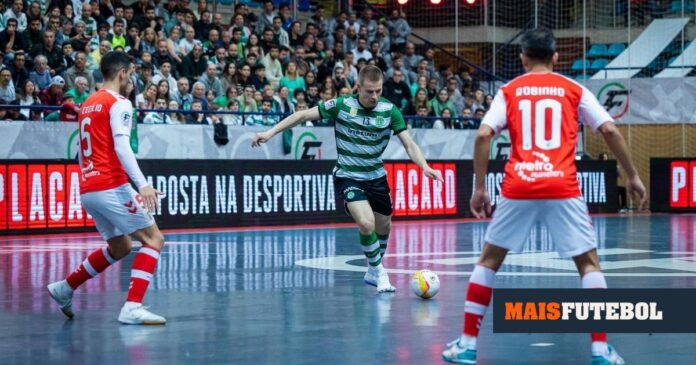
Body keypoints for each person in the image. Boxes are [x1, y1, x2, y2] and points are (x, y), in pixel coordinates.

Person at [441, 28, 646, 365]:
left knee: (489, 261)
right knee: (588, 264)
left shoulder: (509, 91)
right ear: (555, 57)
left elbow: (482, 135)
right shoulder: (574, 89)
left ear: (522, 58)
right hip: (562, 186)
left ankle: (467, 345)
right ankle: (600, 350)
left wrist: (479, 188)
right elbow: (609, 129)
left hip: (519, 185)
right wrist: (633, 175)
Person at [251, 65, 444, 293]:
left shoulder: (390, 111)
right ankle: (380, 272)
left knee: (384, 226)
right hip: (348, 176)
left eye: (378, 91)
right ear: (358, 87)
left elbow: (409, 144)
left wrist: (424, 166)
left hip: (376, 177)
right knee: (366, 223)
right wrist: (269, 133)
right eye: (369, 91)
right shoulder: (341, 105)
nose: (374, 96)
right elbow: (302, 115)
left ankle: (373, 269)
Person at [47, 51, 167, 325]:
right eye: (132, 74)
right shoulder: (119, 102)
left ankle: (65, 288)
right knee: (153, 239)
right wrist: (143, 185)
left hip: (89, 188)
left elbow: (81, 151)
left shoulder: (88, 102)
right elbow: (122, 146)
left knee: (121, 246)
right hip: (110, 185)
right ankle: (132, 307)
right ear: (123, 72)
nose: (132, 80)